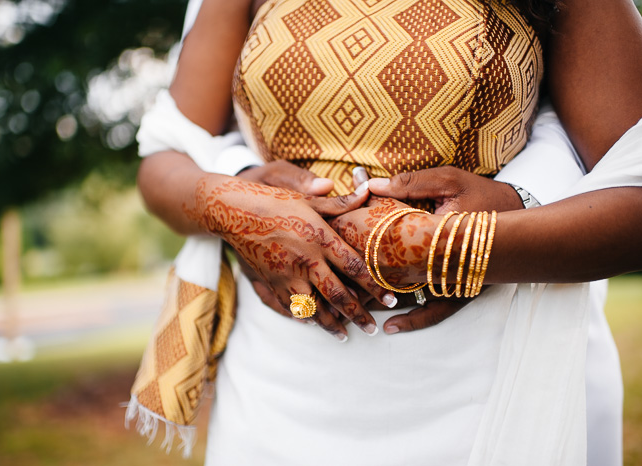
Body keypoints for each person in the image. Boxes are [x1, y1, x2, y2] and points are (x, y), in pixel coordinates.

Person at [129, 0, 642, 464]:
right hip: (277, 384)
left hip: (486, 379)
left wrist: (451, 247)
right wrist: (237, 204)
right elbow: (164, 157)